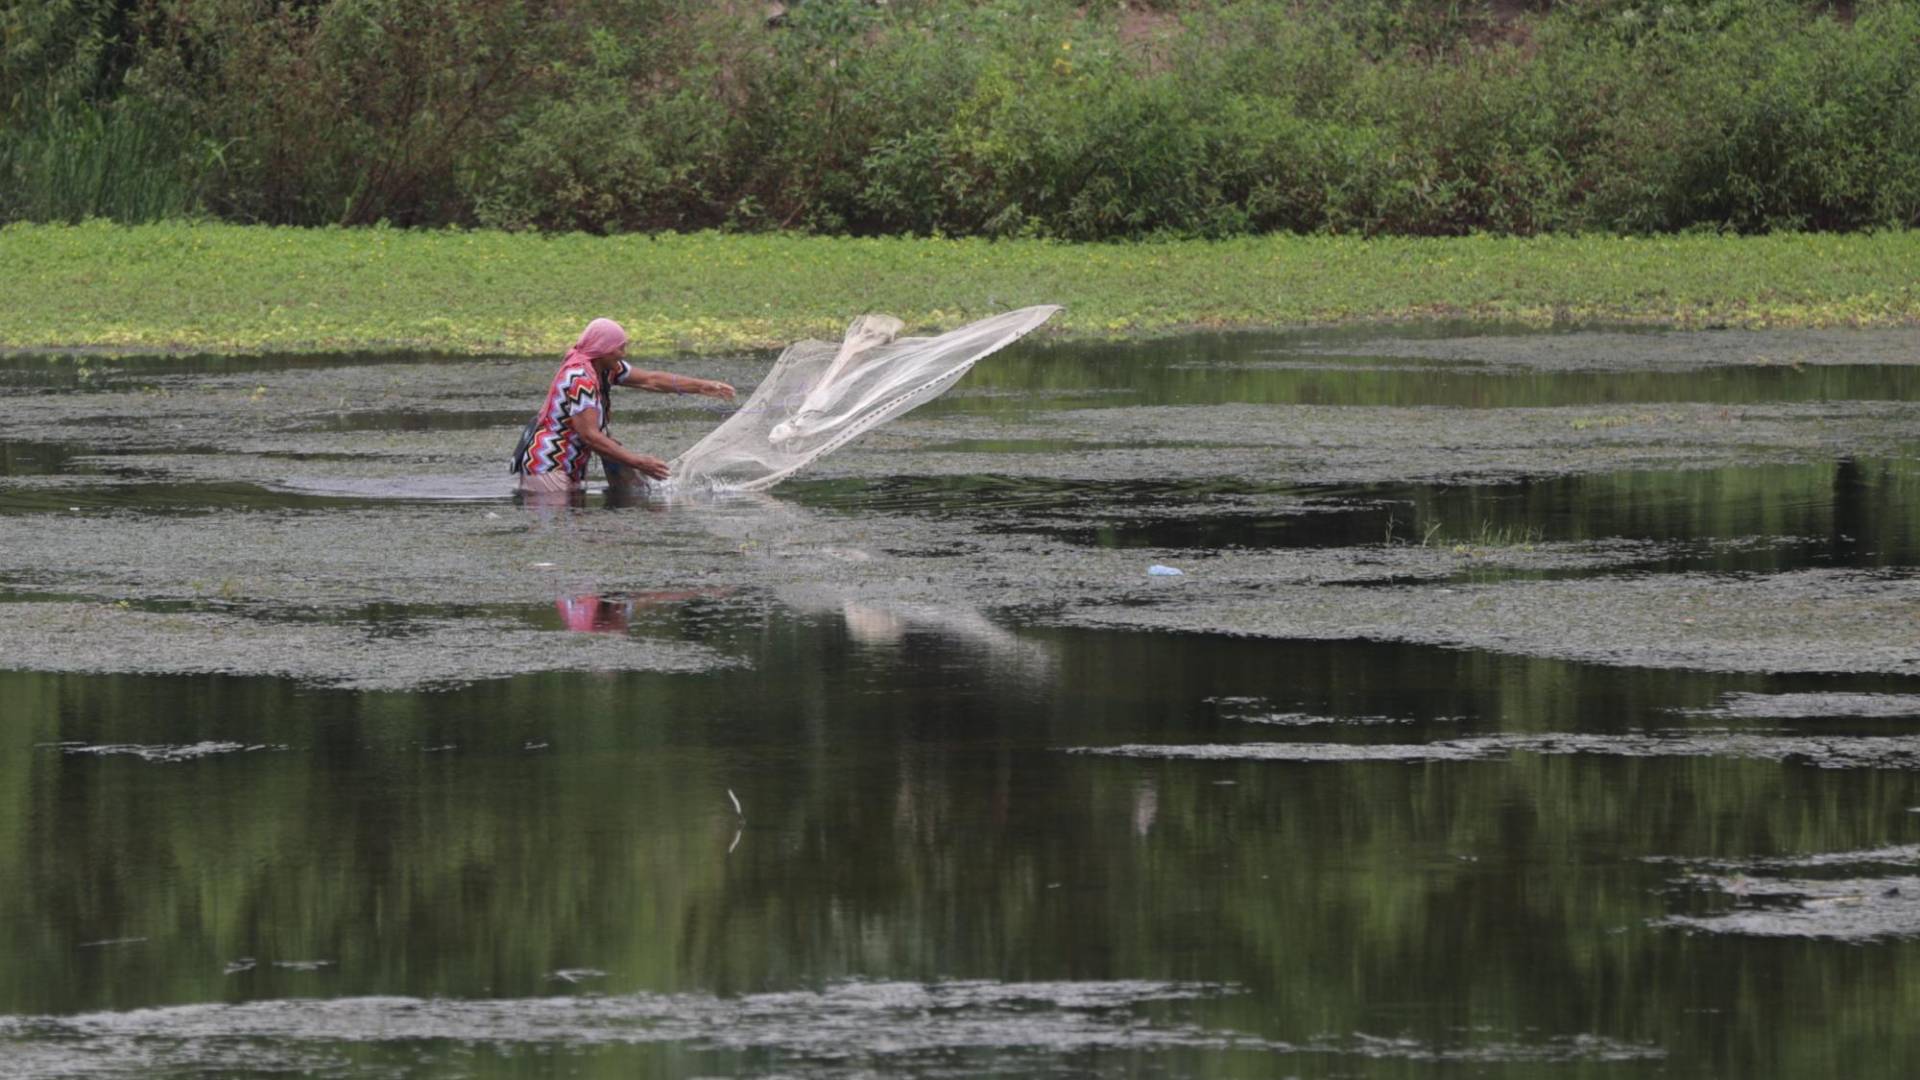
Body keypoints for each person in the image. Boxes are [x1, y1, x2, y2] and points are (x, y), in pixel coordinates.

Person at [511, 318, 735, 494]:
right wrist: (638, 462)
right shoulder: (580, 378)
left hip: (569, 464)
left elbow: (651, 379)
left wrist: (702, 386)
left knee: (576, 525)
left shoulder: (606, 368)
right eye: (619, 348)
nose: (623, 353)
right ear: (603, 349)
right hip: (548, 465)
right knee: (561, 530)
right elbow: (589, 435)